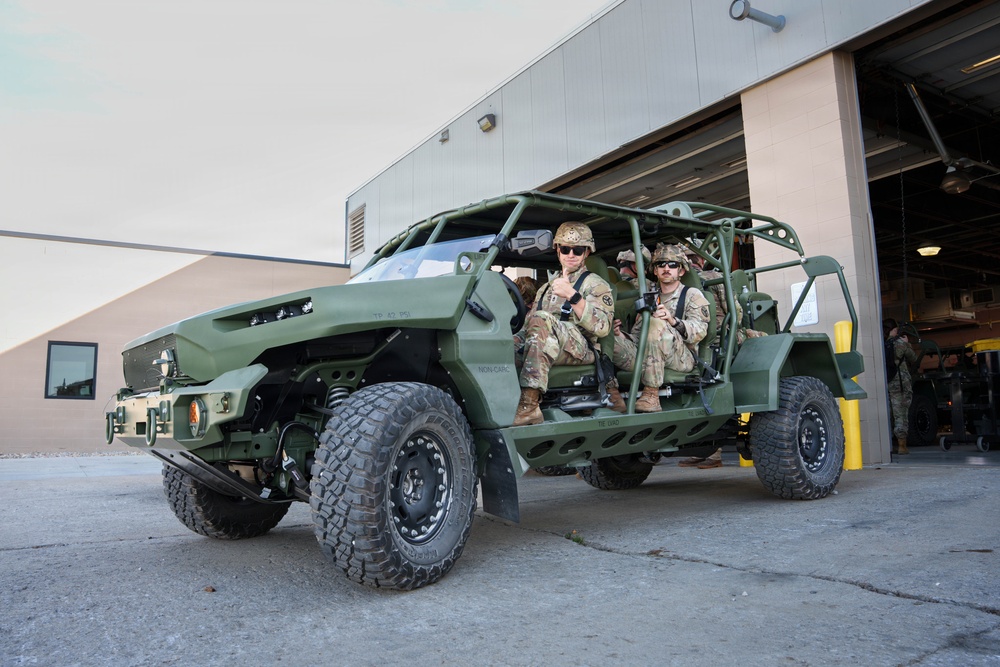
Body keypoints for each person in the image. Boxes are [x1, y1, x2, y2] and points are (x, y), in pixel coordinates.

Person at [515, 223, 615, 427]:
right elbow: (527, 329)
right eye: (565, 249)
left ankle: (529, 404)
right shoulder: (545, 288)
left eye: (577, 250)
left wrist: (573, 295)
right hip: (550, 345)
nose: (571, 254)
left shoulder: (595, 284)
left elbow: (603, 327)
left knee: (542, 319)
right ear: (558, 250)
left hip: (582, 348)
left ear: (586, 252)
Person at [611, 243, 710, 414]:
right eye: (661, 264)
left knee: (657, 325)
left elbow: (699, 331)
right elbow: (637, 336)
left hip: (682, 356)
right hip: (649, 354)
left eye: (673, 265)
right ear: (655, 271)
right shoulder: (650, 297)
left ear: (681, 270)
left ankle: (651, 395)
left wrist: (673, 321)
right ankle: (610, 394)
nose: (666, 268)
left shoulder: (692, 294)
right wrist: (621, 335)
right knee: (608, 337)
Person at [884, 318, 918, 454]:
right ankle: (902, 446)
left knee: (889, 413)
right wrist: (907, 344)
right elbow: (914, 358)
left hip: (886, 383)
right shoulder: (900, 344)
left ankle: (888, 445)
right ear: (893, 330)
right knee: (901, 413)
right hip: (899, 383)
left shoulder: (880, 344)